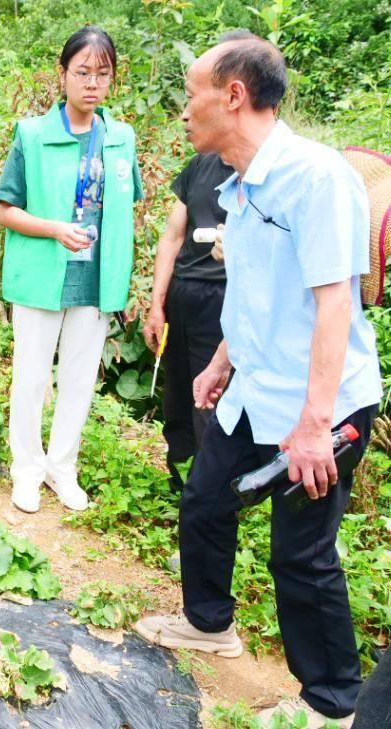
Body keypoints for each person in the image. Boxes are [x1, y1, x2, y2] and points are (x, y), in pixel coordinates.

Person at [133, 33, 383, 729]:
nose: (184, 112)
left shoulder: (316, 178)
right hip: (256, 387)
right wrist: (221, 362)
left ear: (233, 96)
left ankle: (332, 703)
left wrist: (313, 425)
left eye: (191, 96)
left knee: (299, 557)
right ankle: (209, 621)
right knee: (206, 500)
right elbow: (257, 293)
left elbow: (335, 304)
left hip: (322, 405)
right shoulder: (239, 182)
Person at [0, 26, 143, 514]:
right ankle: (27, 471)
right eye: (82, 72)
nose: (92, 83)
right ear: (63, 75)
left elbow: (127, 206)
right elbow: (6, 211)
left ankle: (63, 469)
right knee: (32, 377)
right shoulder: (33, 135)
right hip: (42, 275)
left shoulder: (121, 138)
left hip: (96, 278)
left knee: (79, 381)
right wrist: (56, 228)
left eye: (102, 74)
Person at [143, 153, 233, 490]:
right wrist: (157, 303)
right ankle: (179, 479)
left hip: (223, 297)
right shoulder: (200, 164)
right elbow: (173, 236)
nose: (186, 115)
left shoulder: (261, 170)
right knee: (177, 393)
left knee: (208, 400)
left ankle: (209, 490)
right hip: (183, 292)